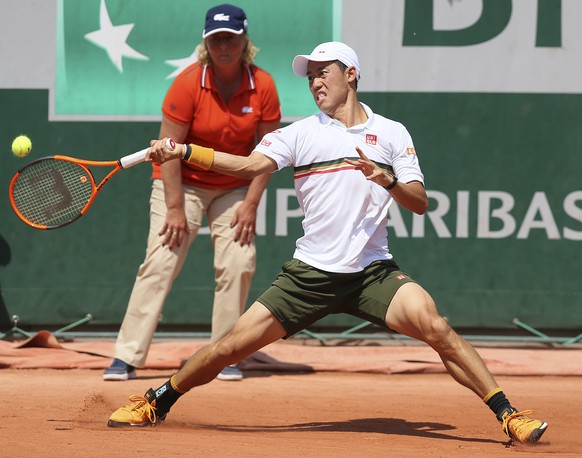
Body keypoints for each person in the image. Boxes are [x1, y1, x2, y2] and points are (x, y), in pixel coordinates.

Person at [107, 41, 548, 444]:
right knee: (227, 348)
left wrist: (388, 179)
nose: (315, 82)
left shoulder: (393, 133)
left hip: (372, 272)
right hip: (310, 275)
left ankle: (509, 415)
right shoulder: (301, 133)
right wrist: (185, 152)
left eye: (324, 72)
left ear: (351, 74)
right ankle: (156, 400)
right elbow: (246, 167)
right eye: (310, 75)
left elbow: (419, 203)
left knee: (437, 328)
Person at [102, 4, 281, 382]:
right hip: (181, 184)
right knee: (160, 262)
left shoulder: (263, 86)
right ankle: (127, 356)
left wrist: (250, 204)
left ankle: (224, 355)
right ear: (206, 43)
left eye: (230, 38)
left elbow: (269, 154)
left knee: (239, 263)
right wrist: (174, 207)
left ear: (244, 40)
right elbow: (168, 151)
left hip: (235, 186)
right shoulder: (187, 84)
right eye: (216, 39)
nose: (223, 46)